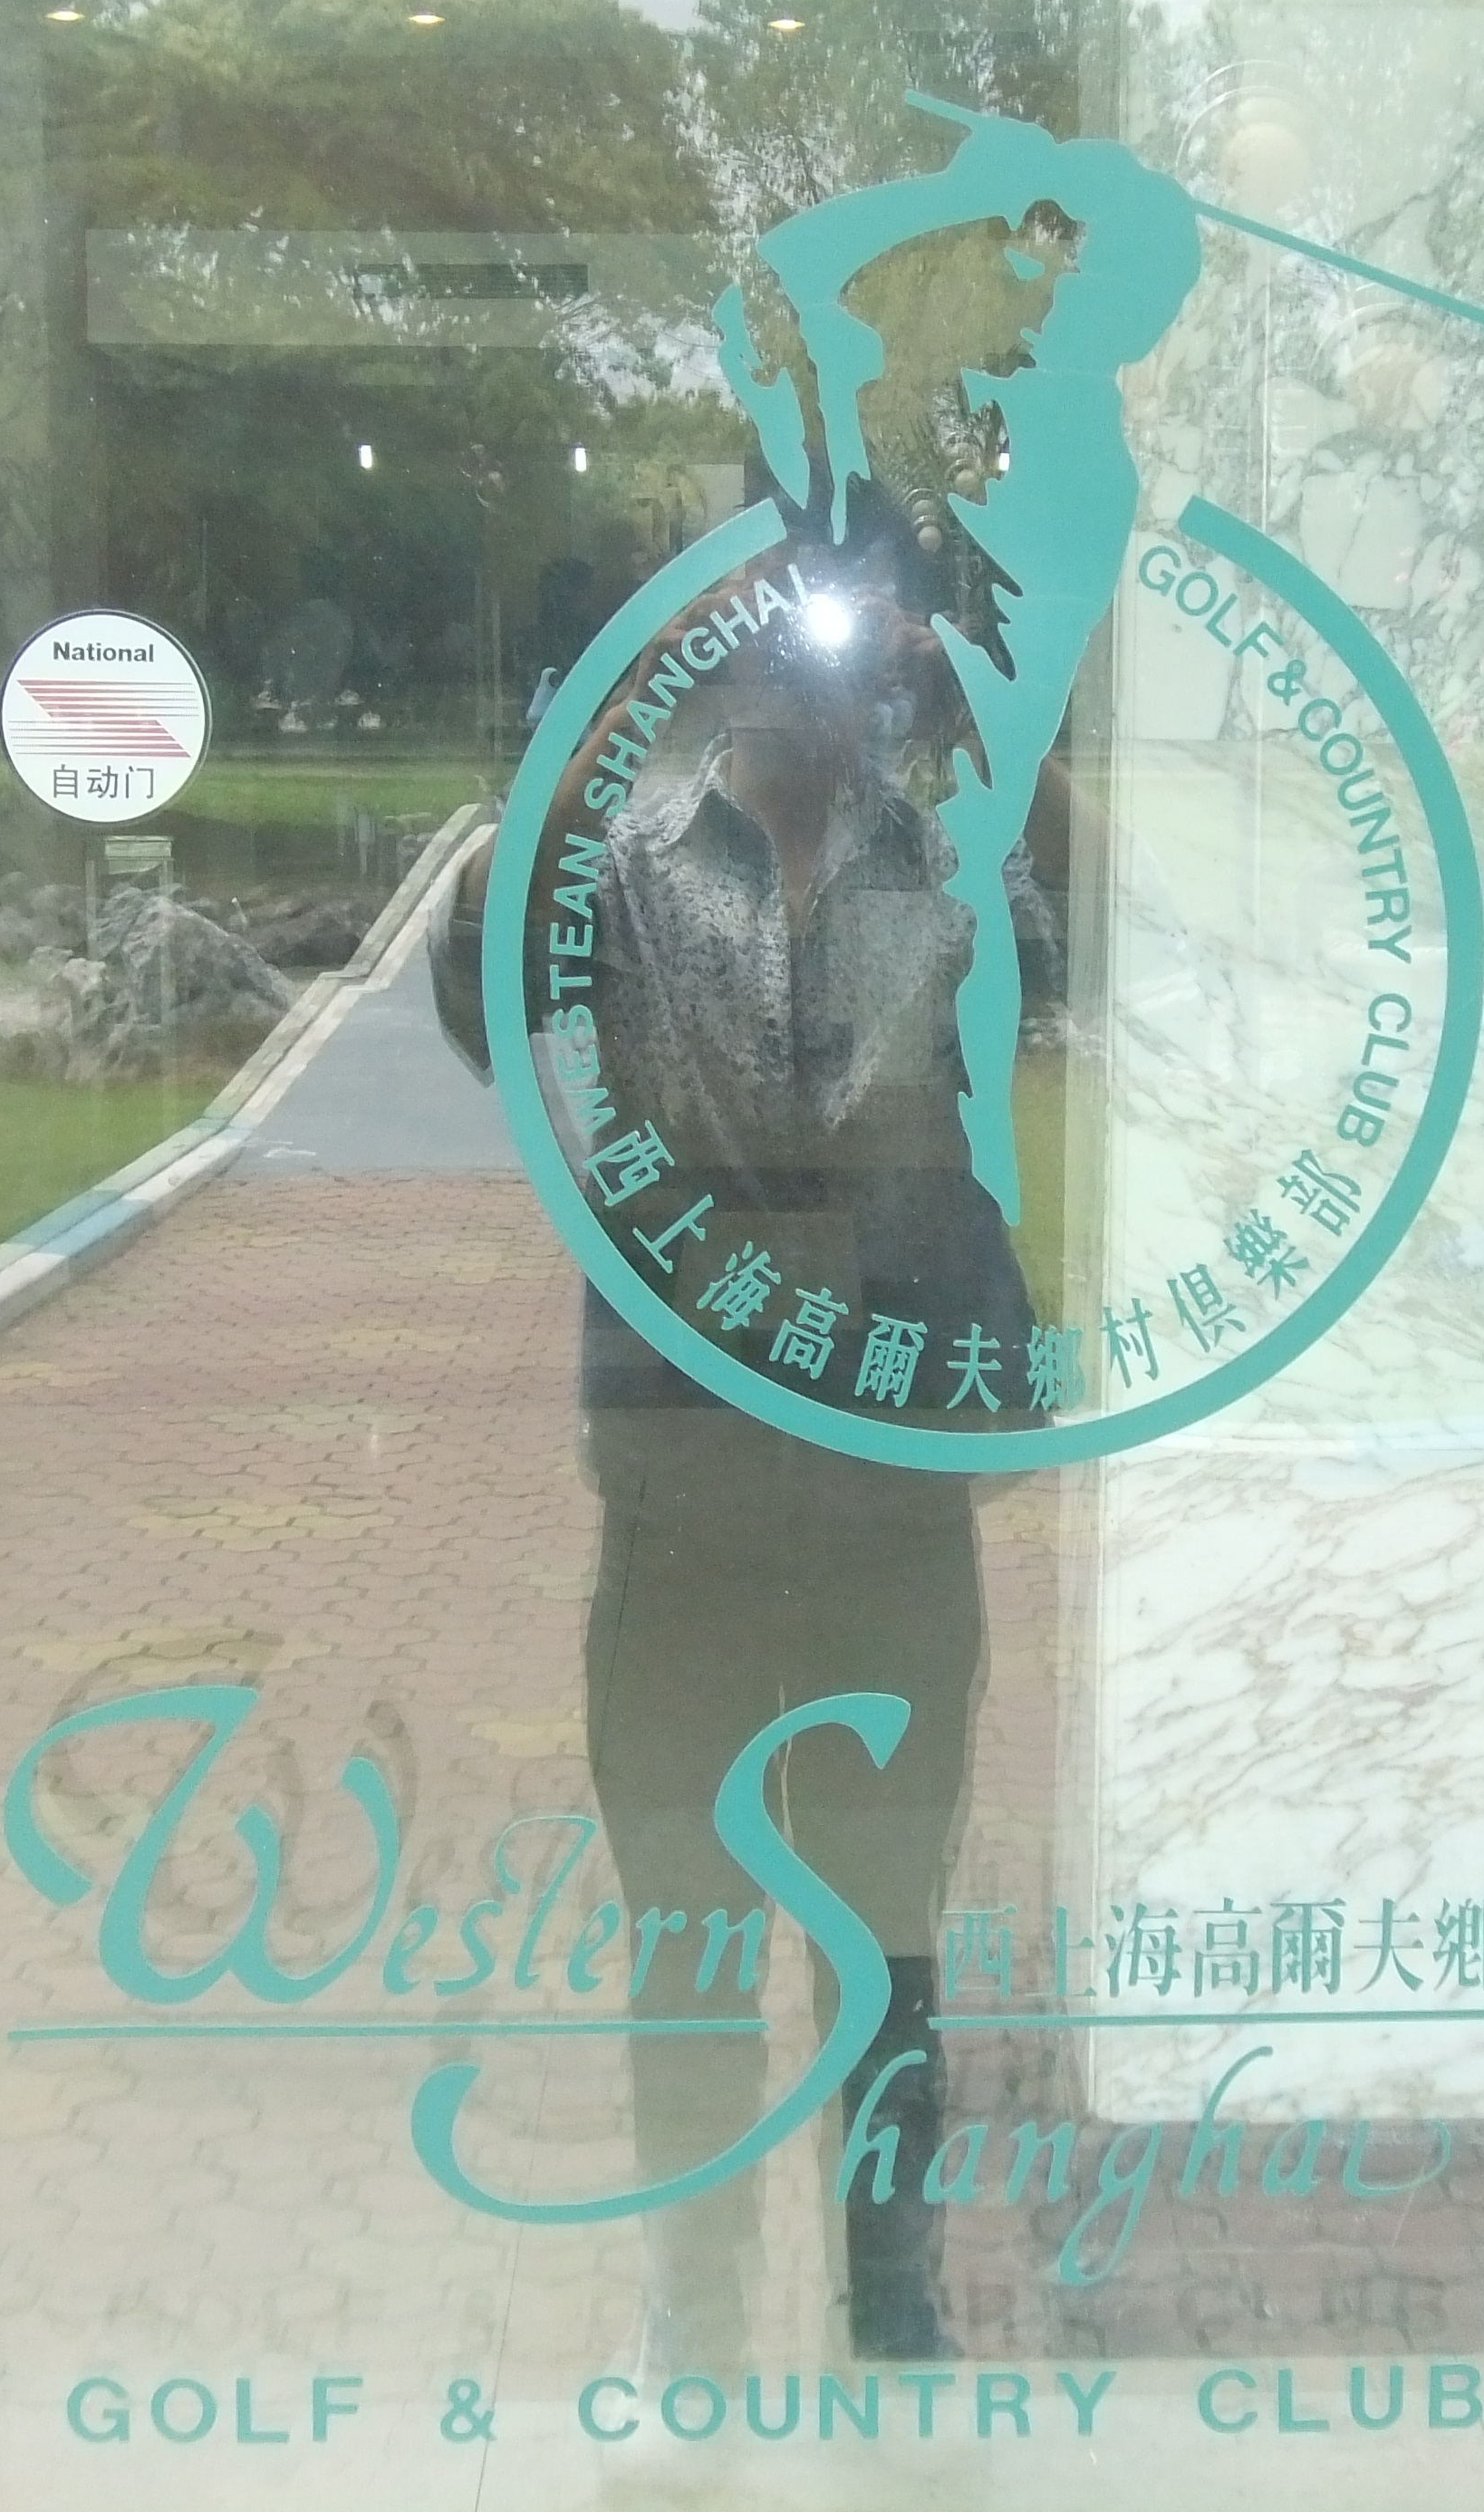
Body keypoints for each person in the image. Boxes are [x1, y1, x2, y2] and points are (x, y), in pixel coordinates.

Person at [435, 527, 1064, 2370]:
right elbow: (481, 987)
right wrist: (610, 710)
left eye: (854, 637)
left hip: (883, 1476)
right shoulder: (625, 866)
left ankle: (895, 2298)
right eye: (781, 633)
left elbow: (1070, 954)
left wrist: (1001, 722)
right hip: (686, 1473)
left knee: (886, 1927)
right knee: (689, 1929)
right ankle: (695, 2307)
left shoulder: (950, 853)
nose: (817, 672)